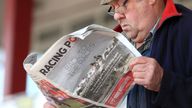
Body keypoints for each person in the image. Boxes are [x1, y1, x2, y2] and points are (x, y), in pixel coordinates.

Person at [44, 0, 192, 107]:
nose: (116, 16)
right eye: (113, 8)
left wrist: (163, 82)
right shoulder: (114, 45)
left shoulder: (188, 28)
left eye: (123, 4)